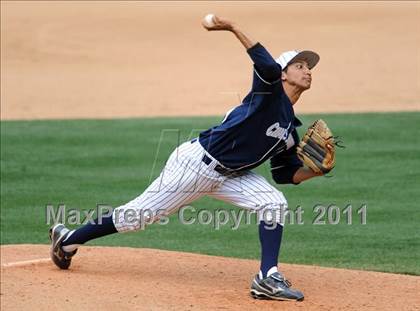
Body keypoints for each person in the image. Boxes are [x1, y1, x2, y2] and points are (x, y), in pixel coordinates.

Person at [50, 15, 325, 301]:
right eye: (300, 66)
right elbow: (265, 65)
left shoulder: (290, 130)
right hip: (195, 164)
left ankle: (267, 277)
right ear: (283, 74)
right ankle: (68, 239)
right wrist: (232, 27)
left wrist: (315, 171)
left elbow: (284, 173)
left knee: (273, 201)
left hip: (231, 176)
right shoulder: (267, 94)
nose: (308, 71)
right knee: (137, 217)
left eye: (309, 68)